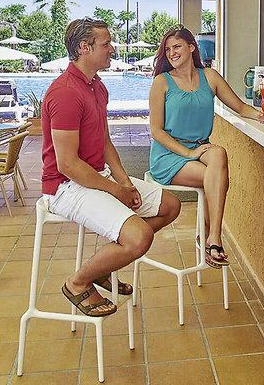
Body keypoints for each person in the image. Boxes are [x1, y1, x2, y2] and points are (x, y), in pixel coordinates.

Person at [42, 18, 181, 317]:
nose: (113, 49)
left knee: (170, 206)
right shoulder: (65, 92)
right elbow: (67, 164)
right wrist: (116, 191)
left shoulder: (97, 87)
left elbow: (104, 142)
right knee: (139, 237)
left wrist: (124, 183)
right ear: (84, 48)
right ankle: (78, 282)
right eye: (106, 44)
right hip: (66, 187)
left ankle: (105, 263)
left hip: (95, 176)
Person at [148, 26, 264, 268]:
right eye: (167, 50)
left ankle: (211, 235)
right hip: (169, 155)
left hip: (200, 150)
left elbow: (240, 107)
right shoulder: (162, 82)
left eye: (177, 47)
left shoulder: (210, 77)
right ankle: (212, 237)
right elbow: (156, 131)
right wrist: (188, 153)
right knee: (217, 177)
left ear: (192, 47)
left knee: (218, 155)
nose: (171, 53)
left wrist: (262, 116)